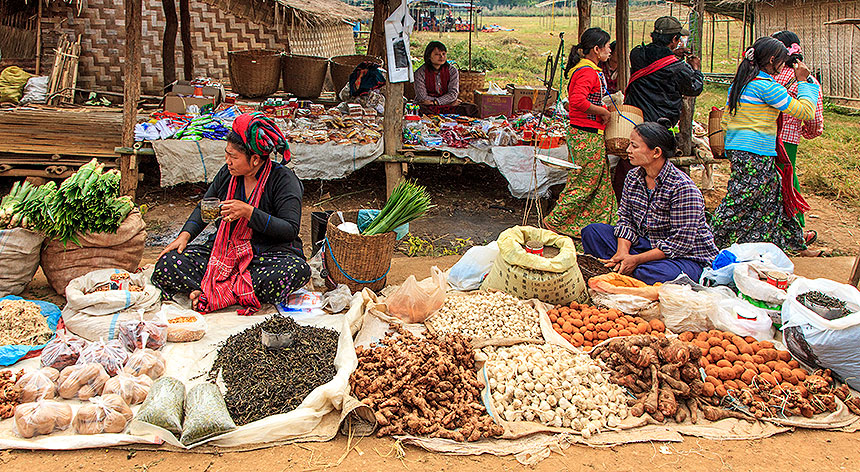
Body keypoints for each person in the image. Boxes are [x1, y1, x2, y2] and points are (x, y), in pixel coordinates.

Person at [152, 113, 311, 314]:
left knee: (296, 270)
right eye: (227, 154)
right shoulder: (228, 174)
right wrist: (185, 236)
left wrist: (248, 212)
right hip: (225, 252)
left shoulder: (284, 180)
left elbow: (289, 229)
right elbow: (206, 207)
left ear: (255, 159)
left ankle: (209, 292)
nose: (227, 161)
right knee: (168, 262)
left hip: (266, 254)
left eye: (233, 157)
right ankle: (229, 292)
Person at [709, 37, 824, 257]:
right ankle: (707, 240)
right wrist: (805, 82)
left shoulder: (742, 83)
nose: (783, 66)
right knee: (741, 199)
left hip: (745, 149)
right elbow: (805, 112)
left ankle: (775, 246)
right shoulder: (765, 86)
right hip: (754, 152)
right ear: (772, 60)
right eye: (782, 61)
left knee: (770, 199)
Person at [582, 120, 719, 285]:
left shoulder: (682, 188)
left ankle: (630, 271)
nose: (628, 150)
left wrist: (636, 259)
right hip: (645, 244)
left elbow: (680, 243)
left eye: (634, 146)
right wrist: (622, 252)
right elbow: (626, 219)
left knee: (654, 272)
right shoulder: (633, 177)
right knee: (592, 232)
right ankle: (625, 266)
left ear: (656, 152)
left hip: (684, 257)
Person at [616, 16, 703, 201]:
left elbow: (655, 58)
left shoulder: (637, 54)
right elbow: (694, 87)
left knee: (629, 163)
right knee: (657, 166)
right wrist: (695, 69)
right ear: (675, 40)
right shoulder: (678, 67)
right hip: (660, 125)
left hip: (635, 121)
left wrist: (672, 54)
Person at [543, 27, 616, 239]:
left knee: (598, 182)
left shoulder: (589, 70)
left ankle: (595, 227)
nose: (610, 50)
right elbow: (576, 101)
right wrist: (602, 111)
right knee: (584, 182)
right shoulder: (586, 72)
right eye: (607, 46)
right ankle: (554, 222)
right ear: (596, 49)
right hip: (585, 135)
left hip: (590, 133)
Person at [771, 30, 824, 236]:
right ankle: (795, 225)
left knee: (773, 179)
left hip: (762, 134)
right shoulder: (806, 78)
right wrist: (808, 132)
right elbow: (814, 116)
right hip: (788, 138)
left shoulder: (769, 74)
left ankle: (782, 224)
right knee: (787, 179)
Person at [413, 41, 479, 117]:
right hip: (429, 106)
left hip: (440, 103)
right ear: (429, 56)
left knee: (471, 108)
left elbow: (453, 93)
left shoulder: (452, 70)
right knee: (421, 108)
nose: (441, 57)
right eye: (437, 54)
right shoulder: (420, 72)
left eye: (443, 54)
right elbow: (422, 97)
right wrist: (446, 102)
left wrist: (436, 102)